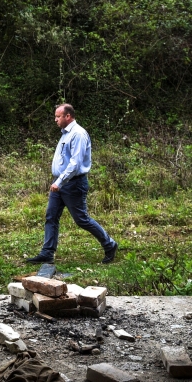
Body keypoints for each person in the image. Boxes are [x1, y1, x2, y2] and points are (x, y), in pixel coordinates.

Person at [26, 104, 119, 264]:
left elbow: (75, 164)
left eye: (58, 116)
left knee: (81, 219)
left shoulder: (78, 134)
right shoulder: (65, 134)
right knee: (51, 216)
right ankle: (47, 252)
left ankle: (109, 244)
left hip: (72, 183)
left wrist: (60, 181)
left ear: (67, 116)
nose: (55, 120)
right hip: (59, 183)